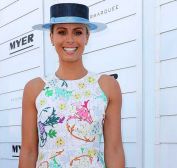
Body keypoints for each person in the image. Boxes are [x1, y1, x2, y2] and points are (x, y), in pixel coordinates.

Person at [19, 3, 124, 168]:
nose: (70, 39)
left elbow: (114, 149)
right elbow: (28, 151)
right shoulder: (35, 88)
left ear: (87, 37)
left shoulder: (107, 86)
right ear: (51, 37)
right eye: (61, 32)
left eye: (78, 32)